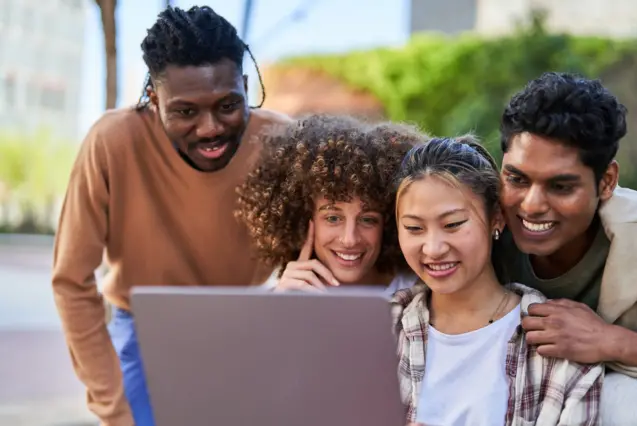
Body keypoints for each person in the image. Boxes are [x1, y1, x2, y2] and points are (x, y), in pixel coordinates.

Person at [51, 6, 290, 426]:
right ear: (154, 99)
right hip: (141, 333)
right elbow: (71, 279)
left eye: (228, 104)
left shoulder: (282, 142)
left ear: (246, 87)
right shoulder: (112, 142)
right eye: (185, 112)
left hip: (244, 327)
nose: (210, 128)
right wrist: (113, 404)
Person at [391, 136, 603, 426]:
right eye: (414, 228)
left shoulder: (558, 344)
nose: (433, 248)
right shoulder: (384, 328)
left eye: (453, 224)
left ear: (497, 219)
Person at [497, 72, 637, 423]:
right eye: (516, 179)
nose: (530, 206)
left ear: (606, 182)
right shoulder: (473, 227)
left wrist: (613, 341)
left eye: (560, 186)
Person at [235, 114, 423, 294]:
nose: (349, 239)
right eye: (333, 218)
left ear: (389, 223)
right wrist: (283, 306)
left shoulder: (419, 294)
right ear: (303, 218)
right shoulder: (277, 298)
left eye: (368, 219)